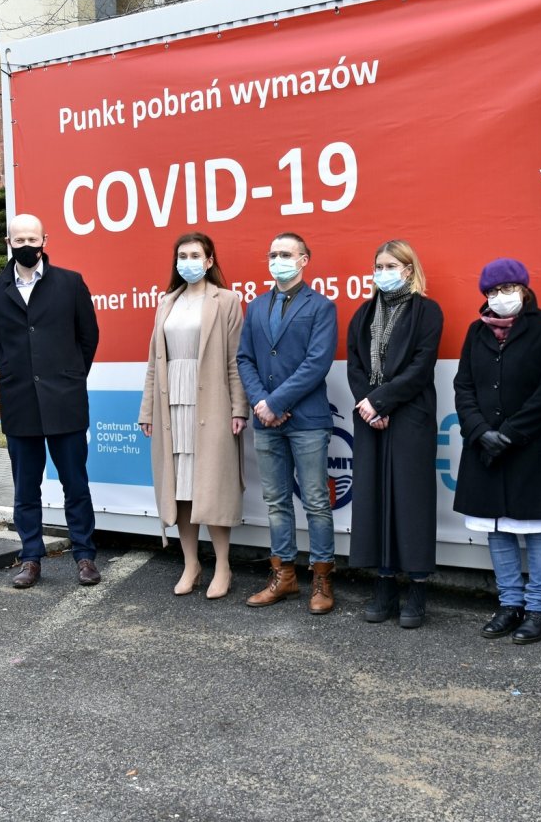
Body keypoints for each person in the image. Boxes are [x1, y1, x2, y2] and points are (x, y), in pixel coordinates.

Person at [0, 213, 101, 590]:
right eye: (20, 240)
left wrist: (69, 375)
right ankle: (30, 557)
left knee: (75, 485)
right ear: (8, 243)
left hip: (65, 402)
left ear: (45, 239)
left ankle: (85, 556)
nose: (27, 246)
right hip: (20, 404)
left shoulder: (70, 283)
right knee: (25, 488)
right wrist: (19, 375)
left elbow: (88, 337)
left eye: (33, 238)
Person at [454, 258, 541, 644]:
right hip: (484, 446)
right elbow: (463, 386)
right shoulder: (476, 331)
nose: (499, 298)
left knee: (536, 531)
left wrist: (511, 433)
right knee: (496, 529)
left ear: (524, 289)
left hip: (529, 446)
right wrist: (480, 431)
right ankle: (509, 603)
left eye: (506, 289)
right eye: (491, 292)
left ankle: (537, 609)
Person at [139, 232, 249, 599]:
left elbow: (236, 359)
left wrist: (238, 407)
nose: (187, 261)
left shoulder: (228, 301)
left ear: (209, 260)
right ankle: (191, 563)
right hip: (171, 404)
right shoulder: (166, 302)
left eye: (195, 254)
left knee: (211, 487)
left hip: (212, 404)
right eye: (181, 255)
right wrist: (147, 410)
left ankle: (222, 565)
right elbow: (155, 362)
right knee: (179, 489)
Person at [236, 232, 339, 613]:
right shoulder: (256, 307)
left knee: (315, 501)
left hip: (308, 420)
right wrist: (262, 403)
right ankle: (284, 577)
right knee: (276, 501)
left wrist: (276, 401)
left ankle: (322, 579)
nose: (278, 259)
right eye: (273, 253)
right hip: (267, 421)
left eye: (286, 254)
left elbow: (317, 363)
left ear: (304, 260)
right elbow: (244, 359)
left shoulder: (322, 307)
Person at [346, 241, 444, 628]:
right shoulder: (364, 312)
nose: (382, 271)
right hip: (371, 417)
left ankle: (417, 588)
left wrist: (382, 401)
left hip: (410, 416)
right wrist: (368, 404)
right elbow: (355, 364)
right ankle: (383, 583)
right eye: (378, 265)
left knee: (412, 501)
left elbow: (421, 367)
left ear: (408, 269)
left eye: (391, 264)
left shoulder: (427, 311)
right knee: (375, 500)